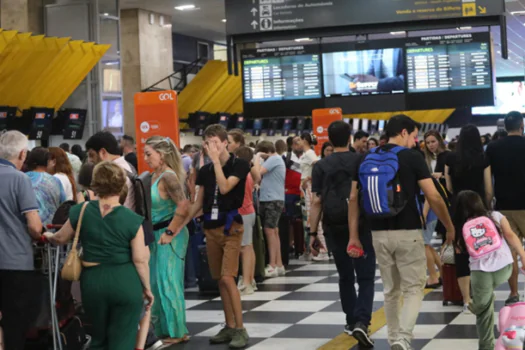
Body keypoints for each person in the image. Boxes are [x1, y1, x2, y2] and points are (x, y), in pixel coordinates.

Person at [349, 114, 454, 350]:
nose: (416, 141)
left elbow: (354, 198)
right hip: (408, 231)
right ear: (404, 132)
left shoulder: (365, 158)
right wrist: (449, 226)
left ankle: (393, 338)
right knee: (414, 287)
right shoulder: (412, 157)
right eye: (415, 136)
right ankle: (403, 339)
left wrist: (354, 236)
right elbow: (433, 195)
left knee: (390, 289)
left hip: (377, 233)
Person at [44, 162, 153, 350]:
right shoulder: (133, 220)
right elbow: (140, 259)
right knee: (122, 340)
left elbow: (60, 238)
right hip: (125, 281)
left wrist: (48, 236)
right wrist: (147, 288)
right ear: (121, 185)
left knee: (98, 339)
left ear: (95, 184)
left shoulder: (81, 211)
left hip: (93, 281)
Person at [181, 124, 250, 348]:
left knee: (229, 277)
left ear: (225, 143)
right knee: (219, 279)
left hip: (232, 228)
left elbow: (226, 186)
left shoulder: (239, 164)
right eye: (207, 143)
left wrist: (216, 162)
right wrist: (179, 224)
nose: (210, 147)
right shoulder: (205, 171)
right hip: (211, 228)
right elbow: (199, 202)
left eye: (215, 143)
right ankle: (229, 325)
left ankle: (241, 328)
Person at [310, 121, 376, 347]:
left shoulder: (320, 166)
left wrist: (312, 233)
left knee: (345, 276)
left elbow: (317, 201)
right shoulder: (361, 160)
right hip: (361, 224)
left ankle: (350, 320)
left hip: (333, 226)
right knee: (366, 276)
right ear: (350, 138)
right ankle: (362, 321)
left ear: (329, 138)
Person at [452, 190, 525, 350]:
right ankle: (483, 301)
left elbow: (459, 250)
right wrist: (523, 256)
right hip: (504, 267)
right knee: (485, 298)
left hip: (481, 273)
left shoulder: (462, 225)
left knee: (484, 311)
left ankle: (486, 345)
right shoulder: (496, 216)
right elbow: (510, 236)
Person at [144, 136, 190, 344]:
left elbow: (183, 206)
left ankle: (178, 331)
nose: (145, 158)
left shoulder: (169, 177)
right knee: (155, 282)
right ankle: (163, 329)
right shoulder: (154, 175)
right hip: (154, 235)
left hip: (169, 234)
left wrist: (170, 233)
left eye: (149, 154)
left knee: (168, 281)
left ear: (161, 156)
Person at [0, 131, 43, 350]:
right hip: (15, 262)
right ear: (23, 153)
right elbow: (34, 226)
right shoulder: (20, 179)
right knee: (15, 324)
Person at [445, 124, 492, 311]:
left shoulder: (450, 158)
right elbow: (488, 189)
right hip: (478, 208)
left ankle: (466, 300)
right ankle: (482, 295)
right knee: (482, 249)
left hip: (457, 208)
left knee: (461, 253)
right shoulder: (483, 158)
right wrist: (487, 208)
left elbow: (448, 187)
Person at [486, 111, 525, 305]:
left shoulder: (493, 148)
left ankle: (514, 293)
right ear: (522, 125)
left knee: (512, 252)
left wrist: (489, 202)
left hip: (504, 207)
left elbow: (488, 181)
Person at [253, 141, 286, 278]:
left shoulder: (273, 159)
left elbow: (257, 173)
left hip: (272, 199)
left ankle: (272, 265)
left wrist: (257, 156)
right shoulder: (276, 159)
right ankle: (278, 264)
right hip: (273, 198)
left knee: (269, 230)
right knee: (274, 231)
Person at [422, 130, 449, 287]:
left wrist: (442, 176)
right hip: (435, 204)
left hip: (436, 204)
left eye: (433, 141)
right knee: (429, 243)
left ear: (439, 140)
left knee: (426, 244)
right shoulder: (430, 159)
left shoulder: (444, 157)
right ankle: (443, 273)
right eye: (428, 142)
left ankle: (435, 275)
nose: (431, 145)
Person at [86, 131, 135, 210]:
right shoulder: (128, 167)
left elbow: (105, 210)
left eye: (92, 155)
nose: (90, 160)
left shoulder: (113, 175)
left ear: (103, 152)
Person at [299, 133, 327, 259]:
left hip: (309, 186)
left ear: (304, 140)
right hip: (306, 187)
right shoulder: (306, 154)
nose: (298, 142)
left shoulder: (310, 153)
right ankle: (316, 247)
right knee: (309, 218)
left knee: (314, 217)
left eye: (299, 140)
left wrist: (310, 178)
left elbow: (318, 165)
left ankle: (323, 249)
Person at [234, 146, 257, 295]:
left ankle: (247, 283)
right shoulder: (248, 174)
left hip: (244, 212)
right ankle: (250, 279)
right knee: (248, 247)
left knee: (245, 248)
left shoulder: (242, 175)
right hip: (248, 211)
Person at [25, 147, 67, 226]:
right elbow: (63, 204)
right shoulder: (56, 181)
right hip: (51, 228)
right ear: (47, 162)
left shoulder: (22, 178)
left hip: (28, 228)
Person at [283, 136, 304, 257]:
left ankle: (302, 246)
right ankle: (290, 244)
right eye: (296, 143)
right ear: (291, 145)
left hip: (303, 193)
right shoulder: (286, 157)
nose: (299, 145)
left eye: (300, 142)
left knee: (303, 221)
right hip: (289, 194)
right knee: (290, 220)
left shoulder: (309, 156)